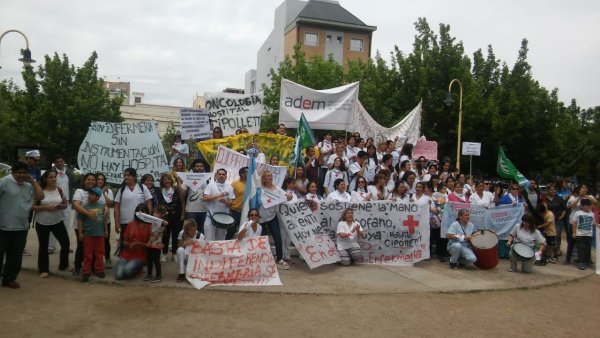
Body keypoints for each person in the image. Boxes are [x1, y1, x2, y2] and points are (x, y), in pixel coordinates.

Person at [0, 162, 43, 288]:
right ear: (13, 172)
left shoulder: (28, 186)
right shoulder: (3, 182)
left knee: (15, 257)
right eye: (18, 173)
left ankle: (9, 279)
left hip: (21, 227)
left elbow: (40, 196)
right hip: (3, 226)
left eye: (24, 173)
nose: (21, 175)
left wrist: (33, 181)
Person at [32, 170, 70, 278]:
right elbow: (32, 207)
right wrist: (45, 207)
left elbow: (65, 204)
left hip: (57, 221)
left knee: (65, 243)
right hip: (42, 222)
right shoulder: (40, 191)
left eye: (55, 177)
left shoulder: (59, 190)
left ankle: (63, 265)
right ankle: (43, 270)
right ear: (45, 179)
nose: (53, 179)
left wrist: (59, 206)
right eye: (51, 177)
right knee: (43, 246)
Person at [257, 170, 292, 270]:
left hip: (272, 216)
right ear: (263, 178)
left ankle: (279, 258)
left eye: (271, 176)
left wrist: (289, 196)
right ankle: (259, 258)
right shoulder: (259, 189)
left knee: (278, 237)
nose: (270, 177)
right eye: (267, 176)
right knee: (260, 239)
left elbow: (287, 197)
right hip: (260, 217)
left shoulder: (277, 188)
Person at [114, 168, 153, 256]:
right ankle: (126, 259)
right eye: (125, 175)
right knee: (126, 242)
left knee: (140, 241)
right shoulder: (122, 189)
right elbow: (116, 207)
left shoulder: (143, 187)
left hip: (140, 221)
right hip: (125, 221)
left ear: (134, 176)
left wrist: (147, 218)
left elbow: (149, 203)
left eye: (128, 175)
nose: (126, 177)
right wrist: (116, 222)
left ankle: (140, 261)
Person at [78, 187, 108, 282]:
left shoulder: (102, 206)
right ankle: (86, 271)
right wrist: (80, 233)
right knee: (88, 254)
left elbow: (105, 220)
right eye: (89, 194)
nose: (89, 196)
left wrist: (106, 231)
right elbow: (80, 221)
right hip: (88, 234)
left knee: (100, 253)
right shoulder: (84, 207)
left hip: (100, 234)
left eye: (92, 194)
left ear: (98, 197)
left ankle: (99, 270)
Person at [115, 204, 152, 281]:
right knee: (119, 276)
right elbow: (124, 242)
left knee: (127, 272)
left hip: (140, 256)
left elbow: (151, 245)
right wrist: (130, 244)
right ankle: (131, 268)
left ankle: (138, 268)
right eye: (139, 212)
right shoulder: (130, 224)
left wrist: (139, 244)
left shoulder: (150, 226)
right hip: (126, 254)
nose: (140, 214)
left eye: (143, 212)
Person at [71, 173, 97, 276]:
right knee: (81, 246)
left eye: (93, 180)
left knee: (94, 246)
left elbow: (103, 206)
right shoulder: (79, 191)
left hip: (94, 225)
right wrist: (88, 213)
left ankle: (92, 267)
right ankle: (77, 267)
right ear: (84, 181)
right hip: (80, 224)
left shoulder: (97, 192)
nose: (91, 181)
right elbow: (76, 205)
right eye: (88, 180)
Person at [48, 154, 75, 254]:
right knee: (53, 224)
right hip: (55, 201)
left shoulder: (68, 172)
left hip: (67, 202)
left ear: (64, 161)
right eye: (57, 161)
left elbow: (73, 184)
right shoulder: (51, 172)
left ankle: (66, 246)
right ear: (54, 163)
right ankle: (51, 246)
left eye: (61, 161)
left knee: (66, 225)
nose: (60, 163)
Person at [156, 173, 184, 262]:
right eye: (165, 180)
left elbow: (182, 202)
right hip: (165, 218)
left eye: (168, 179)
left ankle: (174, 253)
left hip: (177, 216)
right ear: (162, 182)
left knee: (176, 235)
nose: (167, 181)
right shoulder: (160, 191)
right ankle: (164, 254)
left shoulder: (176, 190)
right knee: (165, 236)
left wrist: (183, 214)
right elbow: (159, 205)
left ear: (171, 180)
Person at [565, 184, 597, 264]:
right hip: (573, 222)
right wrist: (579, 197)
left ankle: (587, 259)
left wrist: (585, 196)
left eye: (585, 188)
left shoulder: (589, 196)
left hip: (585, 224)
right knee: (571, 241)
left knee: (586, 243)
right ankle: (568, 259)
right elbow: (570, 206)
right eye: (582, 188)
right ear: (579, 189)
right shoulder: (573, 197)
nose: (584, 189)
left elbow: (595, 202)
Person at [203, 169, 234, 241]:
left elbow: (231, 203)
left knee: (220, 241)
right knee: (208, 239)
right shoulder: (211, 185)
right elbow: (205, 198)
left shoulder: (229, 187)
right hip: (211, 216)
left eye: (223, 174)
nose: (221, 176)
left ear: (226, 176)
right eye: (219, 174)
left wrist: (225, 202)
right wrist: (219, 195)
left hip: (224, 218)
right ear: (216, 175)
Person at [571, 198, 599, 270]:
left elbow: (592, 223)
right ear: (582, 206)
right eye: (586, 205)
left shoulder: (591, 214)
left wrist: (597, 225)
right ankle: (581, 262)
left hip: (589, 234)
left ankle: (587, 261)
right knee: (581, 249)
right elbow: (574, 223)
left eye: (589, 205)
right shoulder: (578, 213)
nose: (588, 207)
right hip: (580, 234)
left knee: (587, 249)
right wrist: (574, 232)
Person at [183, 160, 209, 235]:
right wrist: (178, 181)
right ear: (194, 168)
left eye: (201, 166)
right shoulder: (189, 178)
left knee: (201, 233)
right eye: (197, 166)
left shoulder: (208, 179)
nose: (199, 168)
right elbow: (182, 192)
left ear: (204, 168)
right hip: (191, 210)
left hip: (204, 210)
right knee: (189, 232)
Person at [96, 172, 115, 269]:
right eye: (98, 179)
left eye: (102, 179)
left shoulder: (108, 191)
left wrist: (103, 193)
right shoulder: (92, 190)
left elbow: (110, 203)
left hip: (105, 219)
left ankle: (107, 258)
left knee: (106, 240)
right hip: (94, 219)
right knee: (95, 239)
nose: (100, 181)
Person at [145, 206, 168, 283]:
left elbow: (166, 224)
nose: (154, 214)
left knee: (156, 260)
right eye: (154, 212)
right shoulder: (153, 221)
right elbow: (146, 218)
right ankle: (149, 274)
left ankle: (158, 275)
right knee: (149, 259)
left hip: (156, 244)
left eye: (157, 213)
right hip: (151, 244)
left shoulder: (161, 222)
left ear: (161, 214)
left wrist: (162, 220)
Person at [544, 183, 567, 258]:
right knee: (548, 236)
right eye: (551, 190)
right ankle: (548, 252)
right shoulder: (544, 199)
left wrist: (562, 216)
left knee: (557, 236)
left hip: (557, 220)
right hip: (548, 221)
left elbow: (564, 208)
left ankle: (556, 252)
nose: (553, 191)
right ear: (548, 190)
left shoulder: (559, 198)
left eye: (554, 190)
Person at [229, 167, 247, 240]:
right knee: (231, 231)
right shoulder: (235, 184)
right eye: (247, 172)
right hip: (235, 212)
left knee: (244, 233)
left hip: (246, 213)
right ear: (242, 174)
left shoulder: (252, 185)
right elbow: (229, 197)